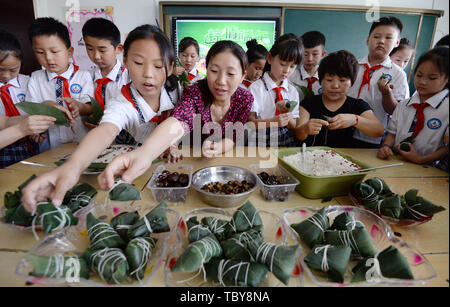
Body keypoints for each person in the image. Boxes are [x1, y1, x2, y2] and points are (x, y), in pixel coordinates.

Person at [21, 24, 181, 212]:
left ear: (170, 67)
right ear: (125, 60)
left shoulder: (176, 90)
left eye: (158, 65)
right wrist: (74, 165)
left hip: (171, 167)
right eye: (138, 63)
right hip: (131, 168)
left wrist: (172, 144)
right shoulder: (122, 102)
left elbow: (181, 121)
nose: (148, 74)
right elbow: (106, 130)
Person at [26, 17, 94, 151]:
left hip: (81, 144)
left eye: (55, 52)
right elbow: (30, 111)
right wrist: (46, 106)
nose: (48, 58)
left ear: (69, 52)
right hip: (49, 147)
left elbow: (90, 108)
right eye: (40, 52)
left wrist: (79, 106)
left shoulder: (83, 76)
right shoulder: (35, 78)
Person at [295, 50, 384, 148]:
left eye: (342, 80)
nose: (335, 86)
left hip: (341, 159)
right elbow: (299, 136)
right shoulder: (308, 103)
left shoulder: (357, 105)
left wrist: (355, 120)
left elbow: (378, 131)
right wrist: (305, 129)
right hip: (310, 156)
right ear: (320, 81)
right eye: (329, 80)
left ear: (351, 82)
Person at [378, 47, 449, 165]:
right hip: (395, 160)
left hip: (429, 168)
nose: (422, 82)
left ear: (447, 79)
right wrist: (386, 147)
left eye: (432, 78)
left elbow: (447, 148)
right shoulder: (404, 105)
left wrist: (421, 160)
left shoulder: (446, 108)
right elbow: (392, 133)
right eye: (419, 75)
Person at [347, 16, 410, 148]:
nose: (381, 41)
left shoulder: (398, 74)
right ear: (367, 40)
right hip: (344, 131)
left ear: (397, 42)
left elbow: (397, 112)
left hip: (372, 137)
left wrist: (387, 94)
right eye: (376, 36)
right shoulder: (352, 66)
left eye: (388, 38)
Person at [0, 29, 55, 168]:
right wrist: (23, 128)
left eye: (13, 70)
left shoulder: (28, 82)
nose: (6, 76)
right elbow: (5, 122)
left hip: (27, 146)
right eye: (0, 69)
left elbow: (33, 111)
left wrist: (37, 129)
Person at [248, 33, 303, 147]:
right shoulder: (256, 88)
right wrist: (273, 122)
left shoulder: (292, 91)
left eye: (292, 66)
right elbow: (251, 124)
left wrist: (286, 114)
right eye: (283, 64)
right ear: (269, 58)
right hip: (261, 140)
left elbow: (293, 125)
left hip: (285, 142)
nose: (287, 70)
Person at [289, 31, 326, 101]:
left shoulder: (327, 78)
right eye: (305, 54)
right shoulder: (290, 77)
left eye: (315, 54)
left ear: (322, 54)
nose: (309, 59)